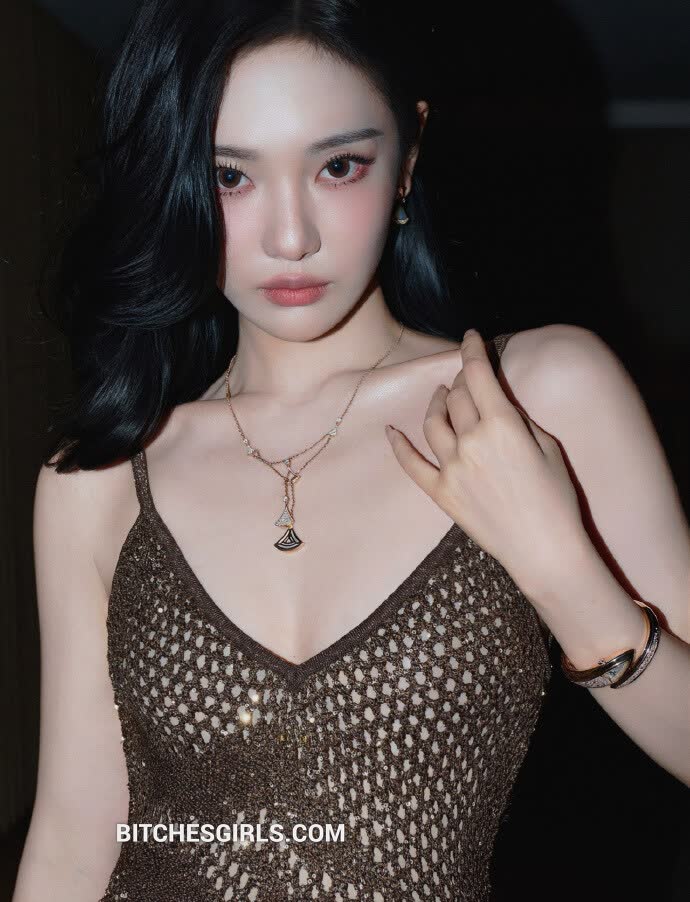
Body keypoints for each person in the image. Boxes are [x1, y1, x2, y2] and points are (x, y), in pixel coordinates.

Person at [13, 1, 690, 900]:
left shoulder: (537, 396)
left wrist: (562, 572)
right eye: (229, 176)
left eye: (338, 166)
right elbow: (74, 839)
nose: (290, 237)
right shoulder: (97, 476)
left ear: (406, 156)